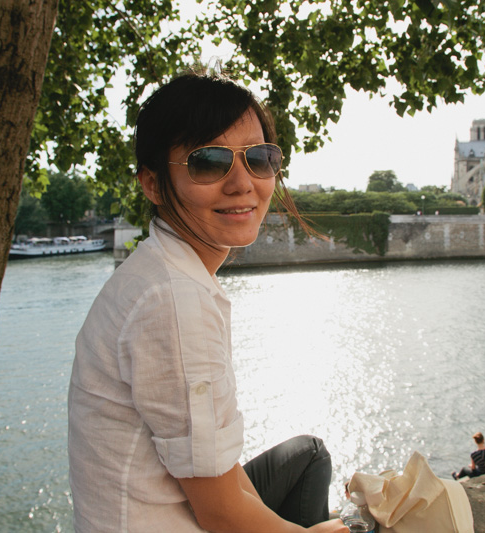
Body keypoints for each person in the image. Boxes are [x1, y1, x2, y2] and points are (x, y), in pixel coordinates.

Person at [68, 73, 347, 533]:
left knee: (307, 455)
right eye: (208, 162)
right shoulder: (173, 300)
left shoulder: (159, 271)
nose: (243, 183)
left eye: (259, 159)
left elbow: (217, 468)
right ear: (154, 185)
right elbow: (220, 515)